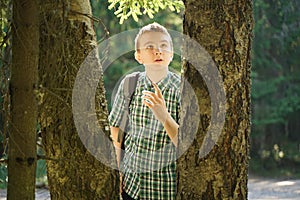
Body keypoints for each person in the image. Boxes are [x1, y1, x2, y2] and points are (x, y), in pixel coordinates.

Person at [109, 22, 180, 200]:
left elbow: (187, 145)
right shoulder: (129, 84)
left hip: (166, 190)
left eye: (164, 46)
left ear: (171, 54)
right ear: (139, 56)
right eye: (150, 47)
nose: (158, 51)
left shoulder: (183, 89)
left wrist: (164, 116)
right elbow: (116, 129)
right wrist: (117, 173)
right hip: (131, 188)